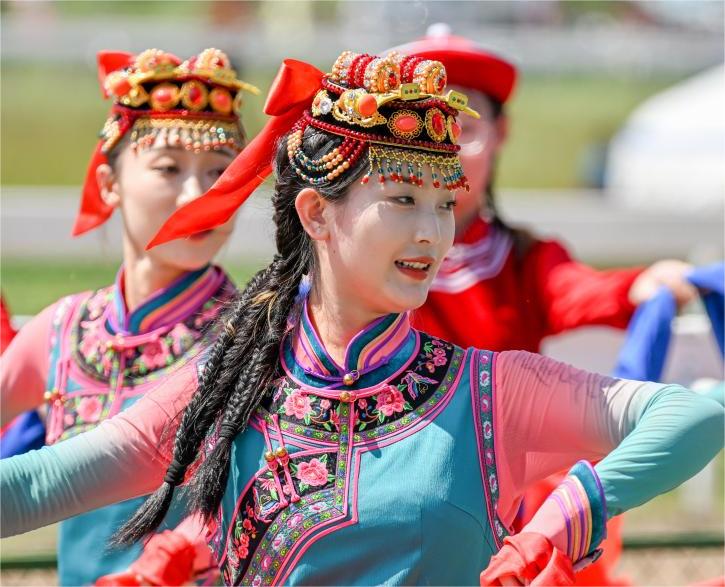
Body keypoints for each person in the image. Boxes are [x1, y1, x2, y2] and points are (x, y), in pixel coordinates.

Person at [2, 52, 722, 587]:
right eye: (401, 199)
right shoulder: (229, 385)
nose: (432, 233)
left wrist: (570, 507)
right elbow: (39, 486)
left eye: (443, 203)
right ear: (317, 212)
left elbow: (696, 415)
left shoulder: (485, 390)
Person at [395, 28, 699, 585]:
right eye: (425, 128)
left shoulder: (522, 259)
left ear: (501, 133)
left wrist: (644, 285)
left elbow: (576, 291)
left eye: (464, 128)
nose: (447, 149)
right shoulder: (368, 256)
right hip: (392, 482)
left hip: (505, 497)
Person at [0, 47, 257, 586]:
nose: (199, 193)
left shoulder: (258, 338)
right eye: (169, 168)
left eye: (218, 171)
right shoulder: (62, 332)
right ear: (108, 185)